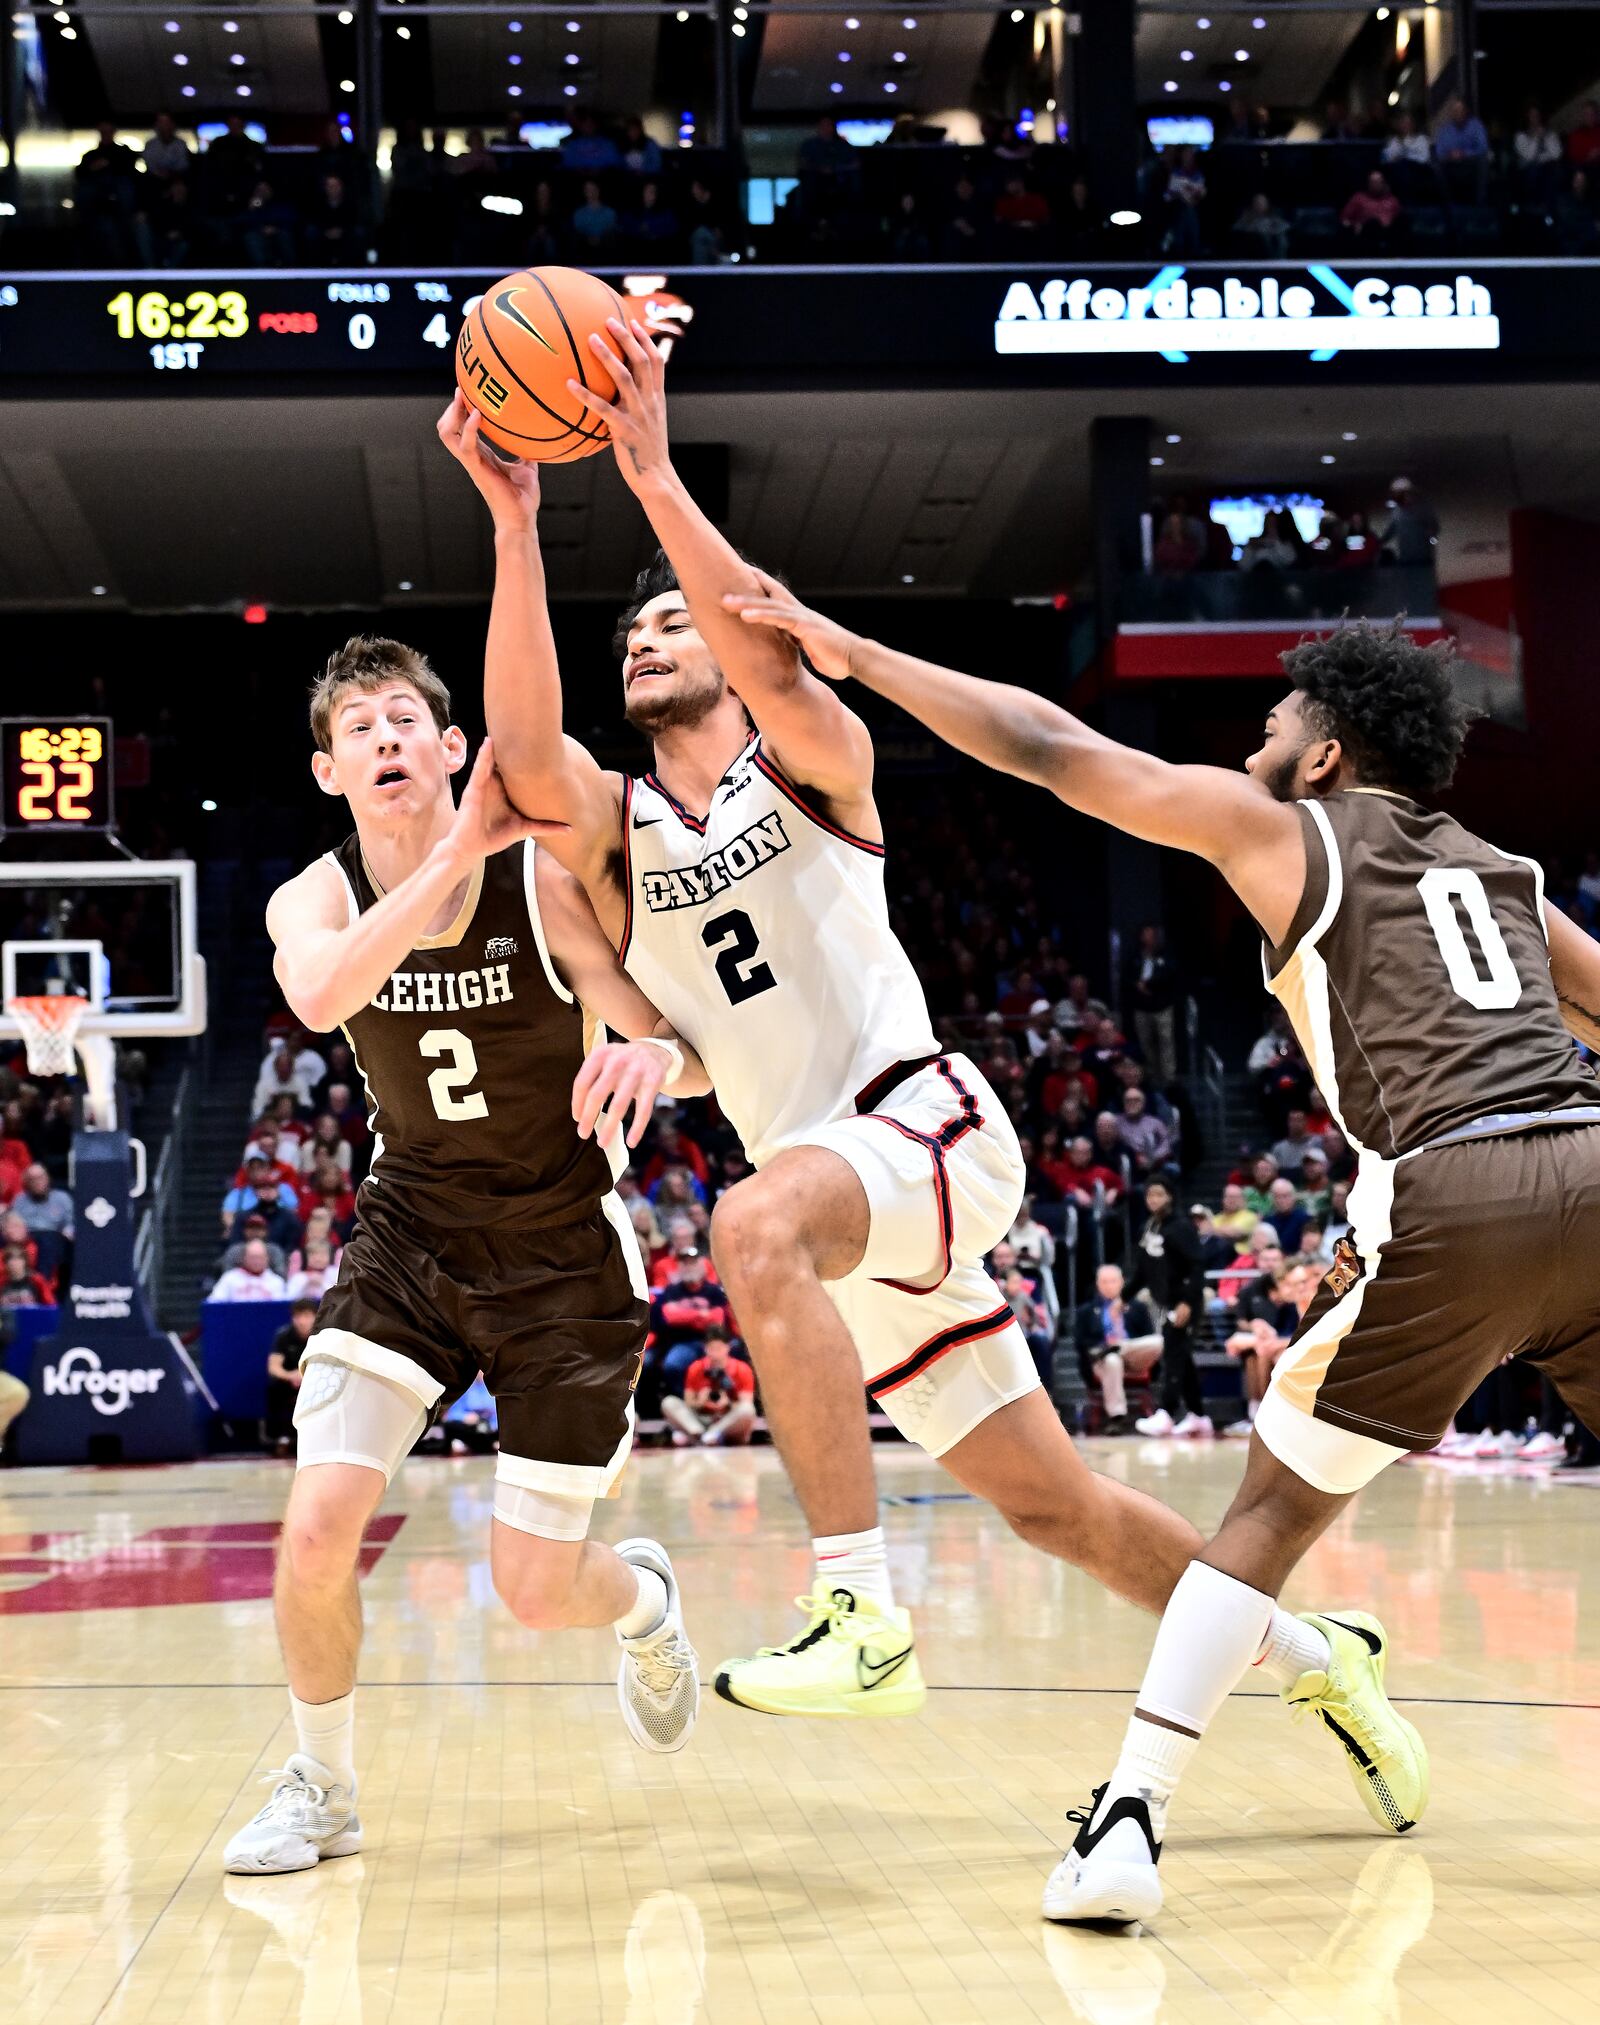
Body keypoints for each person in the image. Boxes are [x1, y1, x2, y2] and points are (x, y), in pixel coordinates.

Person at [439, 332, 1396, 1770]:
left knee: (750, 1220)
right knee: (1056, 1506)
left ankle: (860, 1609)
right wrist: (514, 520)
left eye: (670, 629)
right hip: (844, 1216)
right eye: (630, 636)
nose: (645, 640)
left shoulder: (815, 768)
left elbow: (768, 652)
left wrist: (647, 471)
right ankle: (1320, 1656)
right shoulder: (616, 838)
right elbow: (519, 747)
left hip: (921, 1125)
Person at [722, 589, 1600, 1924]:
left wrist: (859, 658)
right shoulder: (1506, 876)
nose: (1256, 734)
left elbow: (1053, 750)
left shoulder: (1284, 830)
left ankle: (1128, 1819)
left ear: (1324, 756)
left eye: (1276, 718)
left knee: (1262, 1520)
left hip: (1455, 1184)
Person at [221, 633, 711, 1876]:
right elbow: (326, 996)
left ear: (453, 749)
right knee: (318, 1527)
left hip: (560, 1252)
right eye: (358, 729)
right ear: (330, 771)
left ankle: (644, 1600)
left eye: (406, 720)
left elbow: (673, 1041)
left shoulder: (545, 882)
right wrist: (453, 849)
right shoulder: (314, 897)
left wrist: (652, 1056)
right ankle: (322, 1788)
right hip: (411, 1237)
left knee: (537, 1592)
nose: (384, 739)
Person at [1126, 1178, 1209, 1438]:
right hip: (1165, 1301)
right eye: (1150, 1195)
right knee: (1182, 1358)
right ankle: (1198, 1415)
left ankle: (1167, 1413)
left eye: (1159, 1194)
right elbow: (1142, 1269)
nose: (1154, 1200)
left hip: (1185, 1301)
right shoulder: (1149, 1227)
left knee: (1174, 1355)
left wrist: (1187, 1302)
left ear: (1170, 1196)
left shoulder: (1182, 1227)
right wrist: (1123, 1296)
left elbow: (1196, 1266)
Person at [1075, 1263, 1161, 1434]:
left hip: (1135, 1357)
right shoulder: (1086, 1311)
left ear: (1122, 1282)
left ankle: (1116, 1347)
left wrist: (1119, 1347)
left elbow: (1148, 1335)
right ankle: (1117, 1417)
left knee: (1159, 1340)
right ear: (1098, 1284)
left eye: (1113, 1281)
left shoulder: (1138, 1307)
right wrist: (1101, 1350)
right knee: (1112, 1360)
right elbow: (1081, 1343)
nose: (1109, 1285)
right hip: (1102, 1361)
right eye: (1105, 1282)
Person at [662, 1325, 756, 1447]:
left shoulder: (742, 1369)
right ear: (705, 1348)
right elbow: (689, 1402)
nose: (715, 1353)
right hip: (701, 1418)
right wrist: (700, 1402)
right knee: (669, 1402)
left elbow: (746, 1403)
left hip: (728, 1420)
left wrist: (728, 1403)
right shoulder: (696, 1368)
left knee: (747, 1410)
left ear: (728, 1347)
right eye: (711, 1348)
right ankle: (699, 1434)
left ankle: (708, 1435)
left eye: (719, 1348)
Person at [1126, 925, 1180, 1086]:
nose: (1148, 938)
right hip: (1142, 1008)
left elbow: (1169, 975)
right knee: (1145, 1043)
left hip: (1162, 1007)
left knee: (1166, 1042)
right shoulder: (1135, 956)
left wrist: (1149, 984)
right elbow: (1127, 976)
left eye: (1151, 935)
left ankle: (1169, 1077)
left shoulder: (1165, 955)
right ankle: (1150, 1075)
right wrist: (1138, 985)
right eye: (1145, 935)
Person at [266, 1298, 319, 1454]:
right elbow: (273, 1367)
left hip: (317, 1381)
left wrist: (307, 1377)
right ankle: (282, 1437)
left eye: (307, 1316)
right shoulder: (284, 1336)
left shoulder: (322, 1336)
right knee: (274, 1387)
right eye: (298, 1317)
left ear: (316, 1317)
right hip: (290, 1382)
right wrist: (291, 1376)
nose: (302, 1321)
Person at [212, 1237, 288, 1304]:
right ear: (244, 1258)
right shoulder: (230, 1278)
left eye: (260, 1257)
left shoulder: (276, 1282)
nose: (256, 1261)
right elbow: (214, 1302)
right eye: (253, 1257)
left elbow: (282, 1309)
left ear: (267, 1259)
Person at [11, 1163, 73, 1244]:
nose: (37, 1182)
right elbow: (13, 1224)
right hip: (27, 1240)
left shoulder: (62, 1198)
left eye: (40, 1178)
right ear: (26, 1183)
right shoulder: (19, 1200)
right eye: (33, 1179)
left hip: (54, 1238)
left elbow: (71, 1223)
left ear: (48, 1178)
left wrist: (68, 1231)